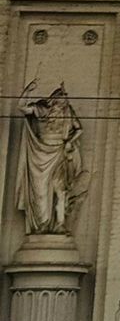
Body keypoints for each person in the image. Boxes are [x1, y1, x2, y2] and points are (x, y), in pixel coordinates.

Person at [16, 83, 86, 235]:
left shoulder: (67, 112)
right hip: (41, 154)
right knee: (40, 192)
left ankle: (60, 224)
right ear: (54, 100)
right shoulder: (41, 109)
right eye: (61, 101)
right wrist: (27, 90)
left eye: (64, 103)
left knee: (60, 190)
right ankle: (42, 225)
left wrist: (69, 141)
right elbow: (21, 107)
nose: (63, 105)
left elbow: (79, 129)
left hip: (59, 153)